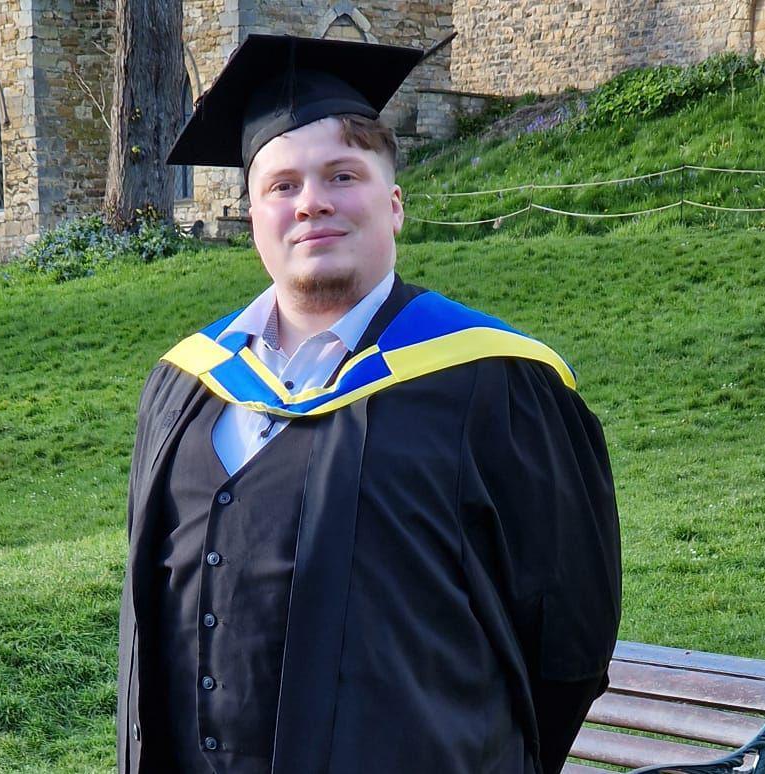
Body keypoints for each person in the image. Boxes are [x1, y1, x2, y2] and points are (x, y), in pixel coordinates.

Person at [116, 34, 621, 774]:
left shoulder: (497, 383)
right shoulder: (184, 385)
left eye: (341, 176)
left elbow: (568, 642)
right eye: (282, 186)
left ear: (394, 205)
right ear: (254, 216)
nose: (312, 203)